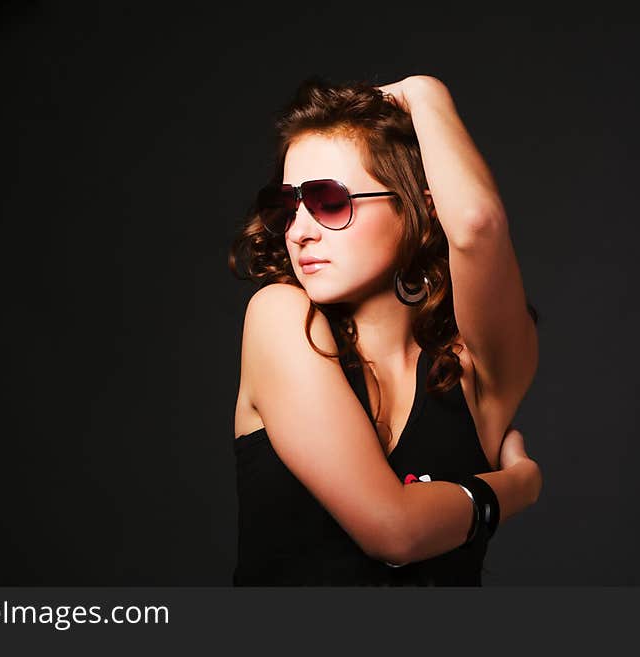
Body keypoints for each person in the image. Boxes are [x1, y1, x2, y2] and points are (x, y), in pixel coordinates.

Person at [228, 74, 542, 586]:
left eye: (329, 201)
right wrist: (516, 488)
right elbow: (393, 532)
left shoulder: (478, 374)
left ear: (415, 207)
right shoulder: (282, 318)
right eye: (285, 206)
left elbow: (477, 224)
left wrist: (425, 92)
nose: (300, 230)